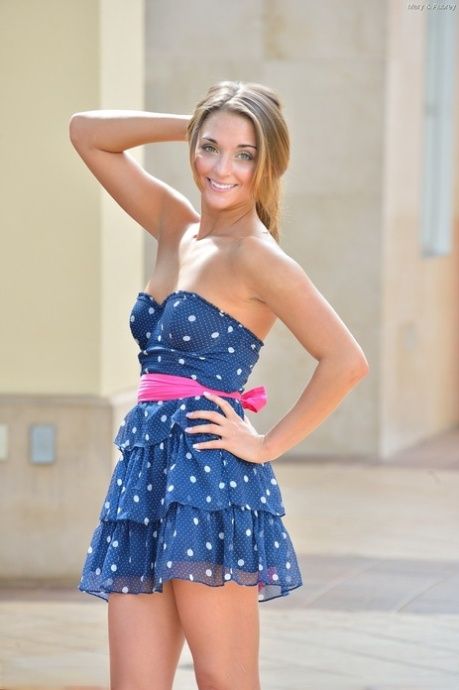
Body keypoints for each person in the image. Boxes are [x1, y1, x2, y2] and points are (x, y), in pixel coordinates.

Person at [69, 80, 369, 690]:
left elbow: (345, 360)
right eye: (210, 148)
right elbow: (87, 134)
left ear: (268, 166)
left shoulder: (259, 257)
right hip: (145, 473)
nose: (222, 168)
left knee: (224, 680)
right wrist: (198, 120)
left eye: (245, 154)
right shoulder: (176, 226)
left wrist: (266, 444)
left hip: (209, 478)